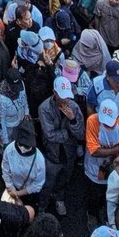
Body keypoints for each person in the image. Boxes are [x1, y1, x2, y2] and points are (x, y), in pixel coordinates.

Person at [38, 75, 85, 216]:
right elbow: (50, 135)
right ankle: (42, 207)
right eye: (62, 96)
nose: (65, 100)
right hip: (52, 154)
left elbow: (81, 134)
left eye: (67, 97)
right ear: (54, 92)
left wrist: (73, 120)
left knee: (64, 179)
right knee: (47, 183)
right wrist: (68, 133)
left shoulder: (74, 108)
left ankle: (59, 198)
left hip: (69, 154)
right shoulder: (44, 108)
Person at [85, 99, 119, 229]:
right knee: (93, 195)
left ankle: (105, 215)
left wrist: (108, 154)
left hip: (113, 168)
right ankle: (92, 215)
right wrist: (115, 149)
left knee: (109, 195)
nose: (108, 126)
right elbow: (93, 150)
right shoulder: (92, 121)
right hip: (93, 168)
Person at [1, 118, 45, 211]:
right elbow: (5, 171)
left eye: (27, 146)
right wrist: (11, 190)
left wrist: (18, 194)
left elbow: (37, 185)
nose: (23, 148)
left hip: (29, 194)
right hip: (12, 189)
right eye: (21, 144)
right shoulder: (9, 150)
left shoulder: (39, 159)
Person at [0, 68, 29, 149]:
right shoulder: (0, 98)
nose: (17, 89)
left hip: (20, 123)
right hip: (8, 128)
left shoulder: (21, 83)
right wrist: (5, 140)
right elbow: (1, 121)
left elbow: (24, 98)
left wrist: (26, 112)